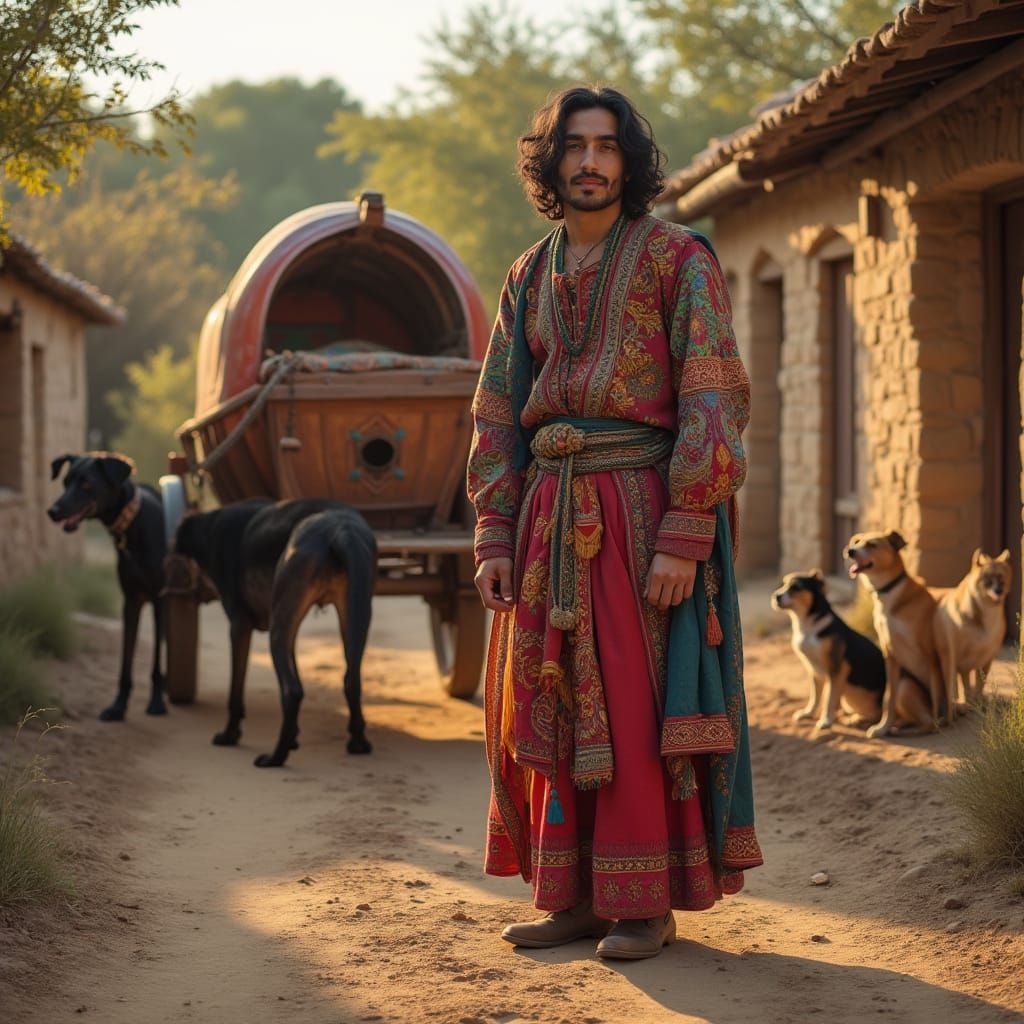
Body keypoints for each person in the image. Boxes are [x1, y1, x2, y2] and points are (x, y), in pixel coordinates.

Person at [467, 85, 762, 961]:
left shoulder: (679, 259)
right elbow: (495, 410)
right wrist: (493, 530)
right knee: (549, 697)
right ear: (551, 162)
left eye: (607, 146)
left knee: (633, 709)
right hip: (547, 518)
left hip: (639, 511)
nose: (590, 161)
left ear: (629, 162)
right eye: (574, 146)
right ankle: (574, 897)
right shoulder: (528, 274)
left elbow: (713, 392)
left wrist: (686, 530)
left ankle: (647, 902)